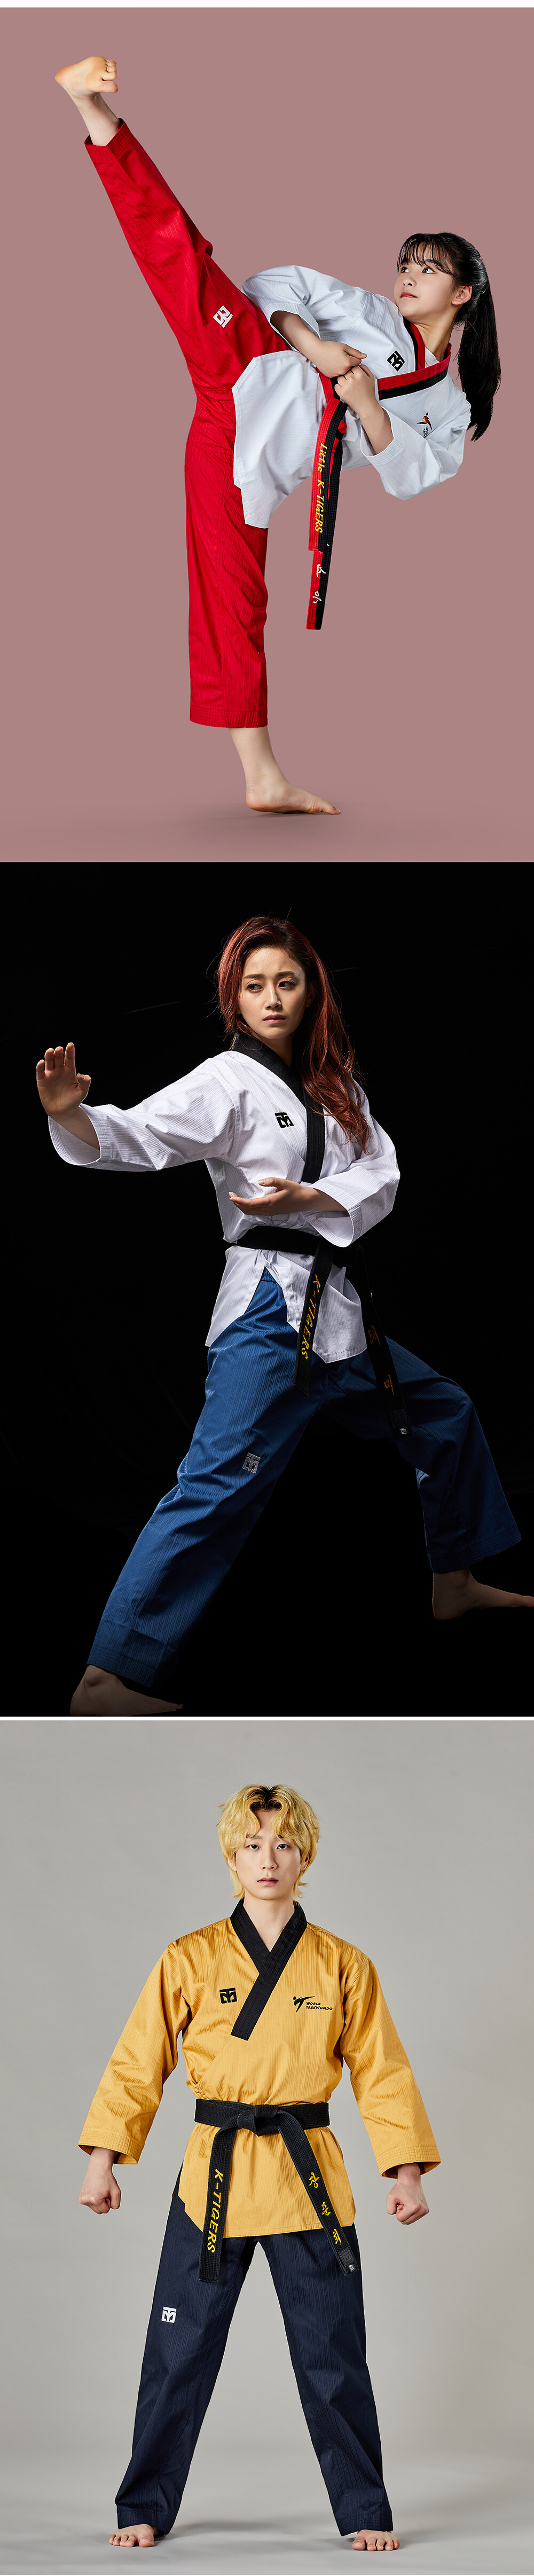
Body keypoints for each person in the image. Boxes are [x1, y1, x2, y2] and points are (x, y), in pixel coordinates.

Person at [35, 914, 532, 1717]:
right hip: (268, 1313)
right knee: (213, 1486)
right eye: (255, 985)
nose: (271, 998)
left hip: (336, 1313)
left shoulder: (339, 1089)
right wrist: (71, 1116)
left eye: (287, 983)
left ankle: (455, 1579)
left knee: (444, 1413)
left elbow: (383, 1172)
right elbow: (143, 1136)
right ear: (234, 996)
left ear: (310, 994)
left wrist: (314, 1197)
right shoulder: (227, 1081)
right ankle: (106, 1681)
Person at [54, 56, 501, 816]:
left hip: (246, 458)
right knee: (180, 255)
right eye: (406, 263)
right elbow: (278, 286)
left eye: (428, 270)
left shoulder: (450, 406)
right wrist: (318, 348)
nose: (407, 276)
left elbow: (417, 477)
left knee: (234, 604)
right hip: (245, 366)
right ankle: (94, 114)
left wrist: (370, 410)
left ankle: (262, 779)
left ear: (462, 294)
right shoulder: (367, 311)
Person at [78, 1777, 439, 2551]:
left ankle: (365, 2509)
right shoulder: (189, 1957)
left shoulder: (343, 1964)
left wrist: (404, 2172)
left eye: (283, 1843)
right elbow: (138, 2064)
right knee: (177, 2354)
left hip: (309, 2180)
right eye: (252, 1844)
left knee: (333, 2355)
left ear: (306, 1856)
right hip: (213, 2178)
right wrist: (103, 2161)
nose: (268, 1858)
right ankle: (143, 2504)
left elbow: (383, 2072)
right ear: (231, 1858)